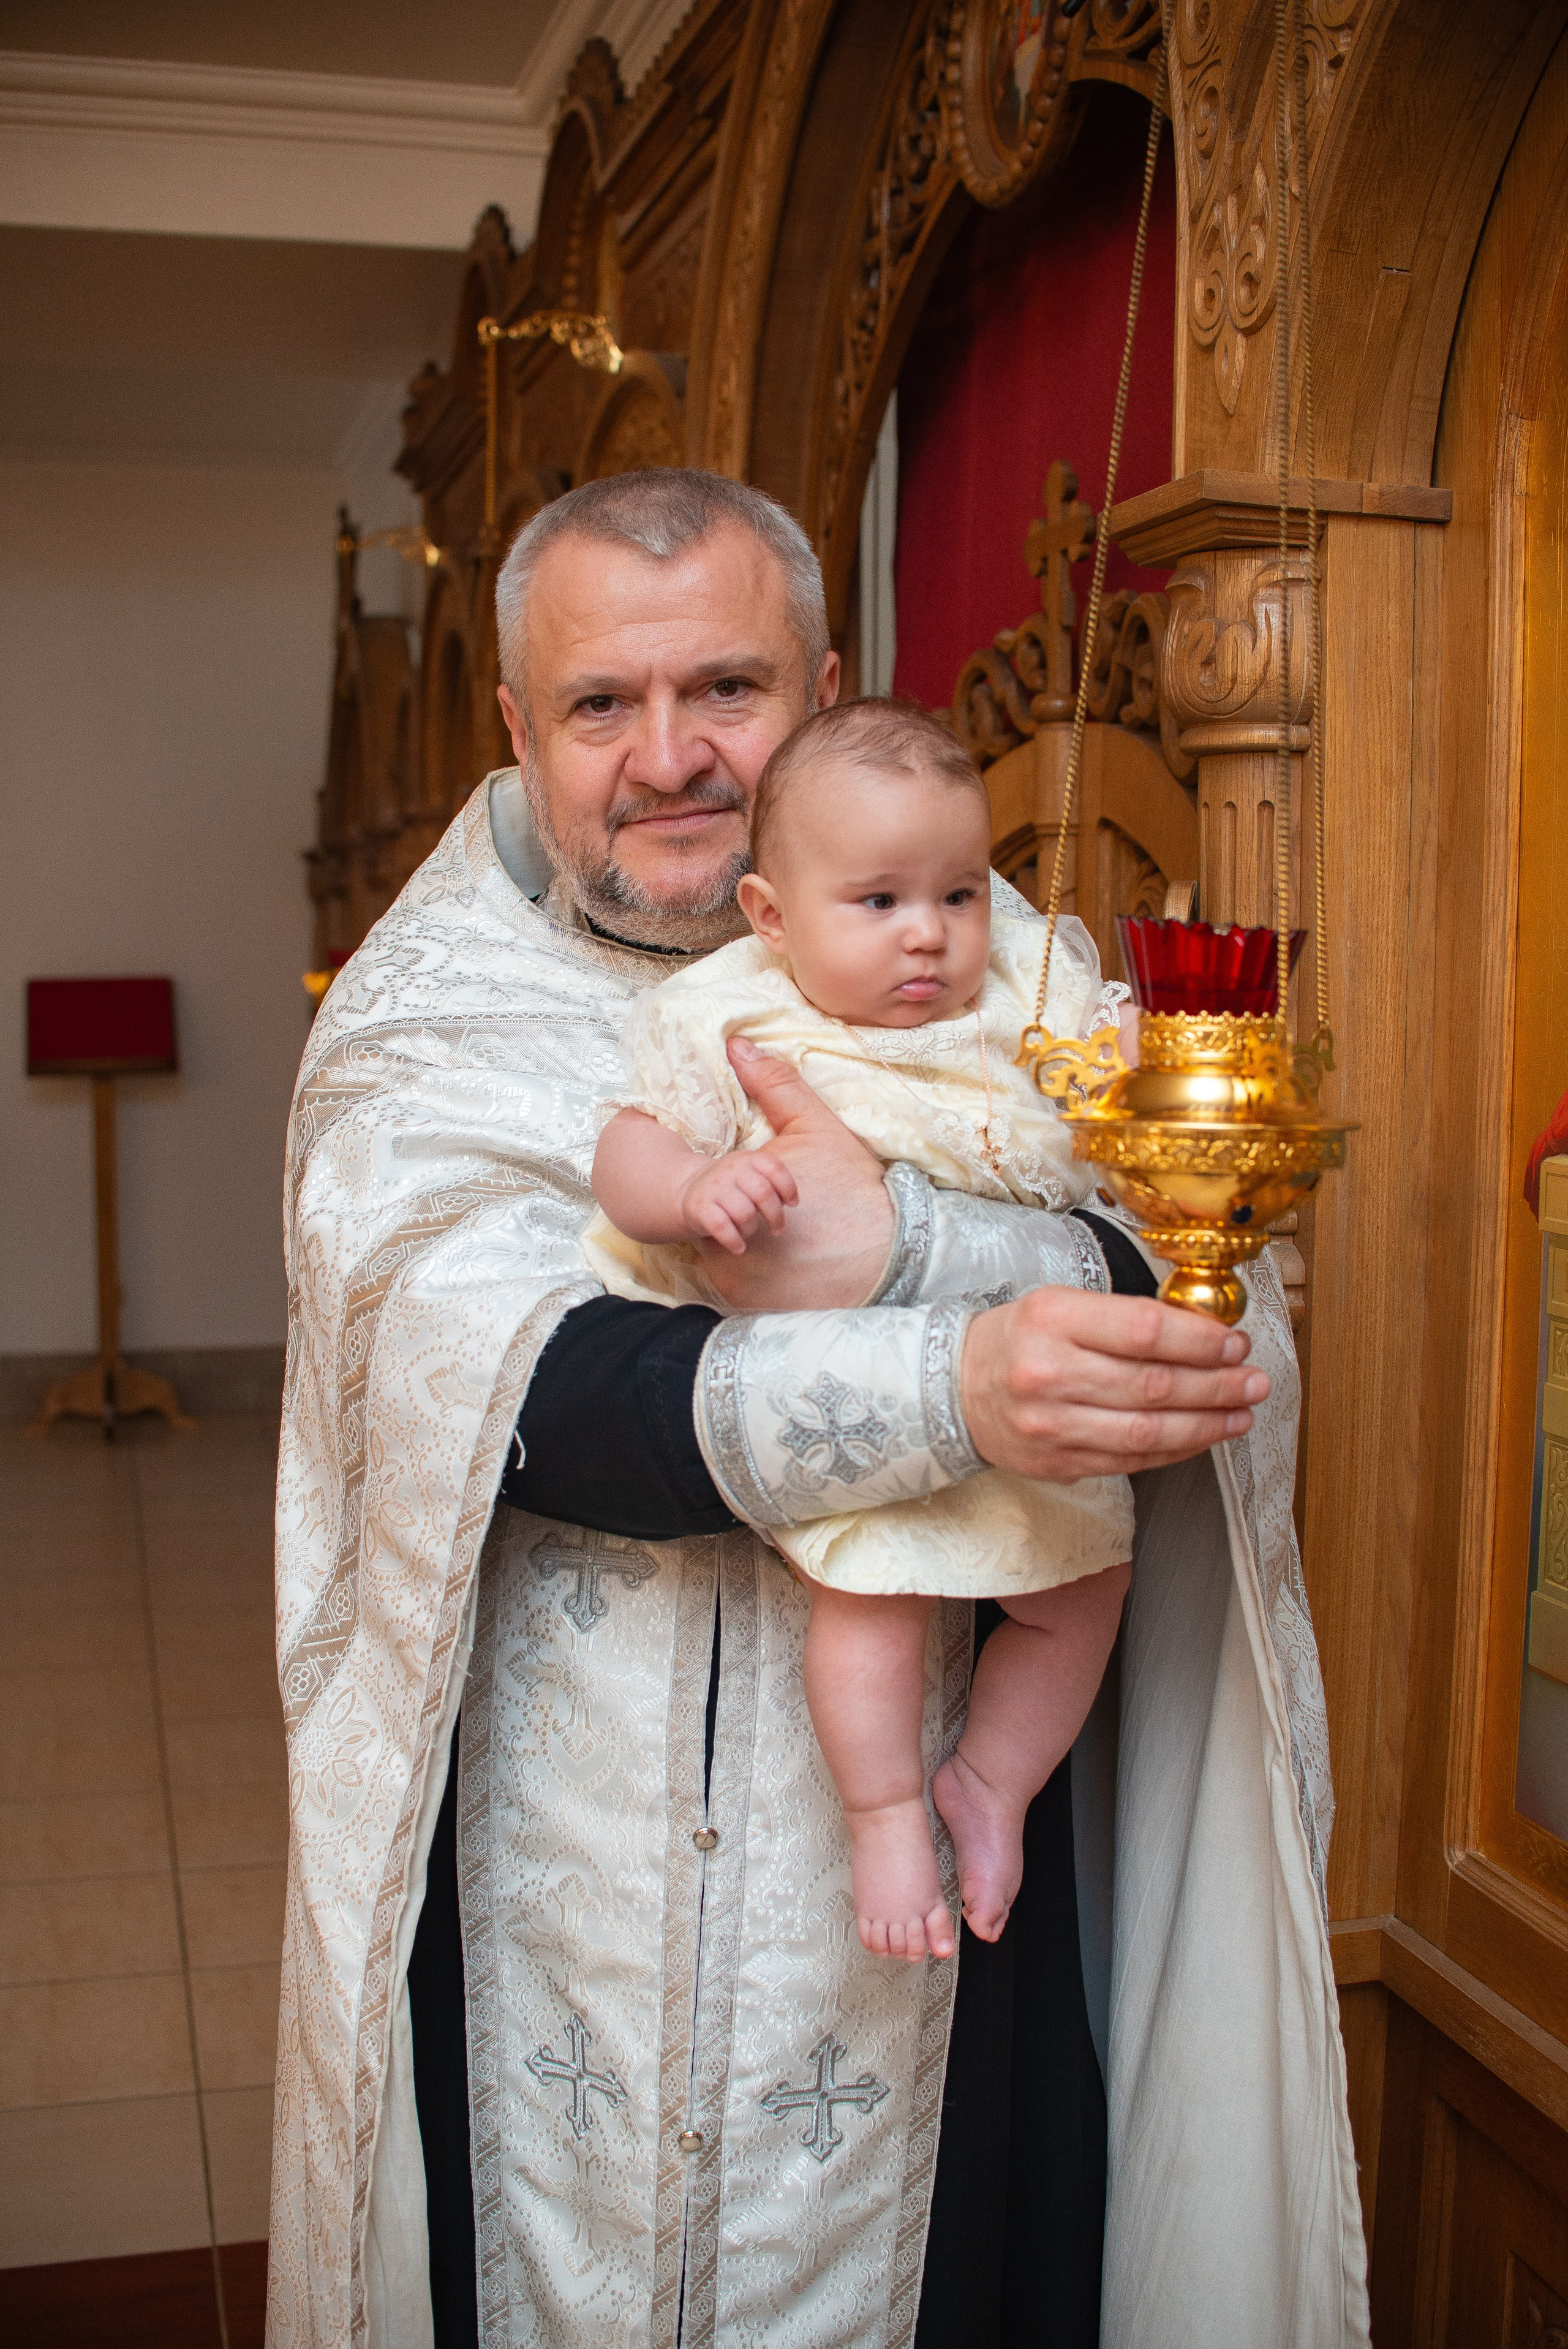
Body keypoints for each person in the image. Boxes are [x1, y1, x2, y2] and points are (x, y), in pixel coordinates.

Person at [268, 468, 1369, 2349]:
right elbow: (522, 1397)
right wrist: (953, 1370)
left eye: (731, 689)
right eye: (604, 705)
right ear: (520, 729)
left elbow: (1205, 1287)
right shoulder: (425, 1018)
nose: (671, 755)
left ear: (831, 683)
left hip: (946, 1895)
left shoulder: (999, 964)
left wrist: (913, 1239)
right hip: (549, 1902)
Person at [589, 697, 1134, 1960]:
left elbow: (1101, 1095)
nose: (929, 938)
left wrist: (1122, 1060)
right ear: (771, 917)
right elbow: (625, 1146)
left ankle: (988, 1781)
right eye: (879, 902)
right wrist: (689, 1189)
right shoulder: (733, 1015)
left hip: (1022, 1373)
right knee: (872, 1600)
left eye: (956, 893)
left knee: (1086, 1585)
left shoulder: (1016, 979)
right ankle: (886, 1812)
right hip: (846, 1393)